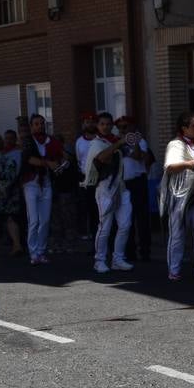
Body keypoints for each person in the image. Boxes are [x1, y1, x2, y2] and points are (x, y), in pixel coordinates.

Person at [160, 112, 194, 282]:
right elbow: (170, 167)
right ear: (184, 128)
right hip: (179, 196)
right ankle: (174, 270)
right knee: (178, 233)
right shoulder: (176, 144)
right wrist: (188, 164)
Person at [84, 111, 131, 274]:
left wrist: (130, 141)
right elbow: (102, 158)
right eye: (102, 124)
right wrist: (119, 144)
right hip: (104, 188)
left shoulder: (115, 141)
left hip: (121, 186)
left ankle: (118, 259)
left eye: (108, 124)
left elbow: (132, 154)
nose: (105, 127)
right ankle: (99, 260)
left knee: (125, 224)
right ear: (98, 126)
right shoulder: (96, 143)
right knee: (105, 226)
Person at [21, 113, 62, 265]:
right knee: (34, 220)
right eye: (36, 124)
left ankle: (41, 251)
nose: (40, 126)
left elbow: (57, 156)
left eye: (41, 123)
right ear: (31, 126)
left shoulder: (50, 141)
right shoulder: (28, 141)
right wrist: (48, 164)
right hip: (31, 183)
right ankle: (33, 253)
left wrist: (59, 162)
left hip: (46, 183)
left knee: (45, 220)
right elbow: (29, 159)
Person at [115, 115, 152, 262]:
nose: (123, 130)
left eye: (126, 127)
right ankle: (129, 252)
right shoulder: (117, 142)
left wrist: (133, 142)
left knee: (141, 217)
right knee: (126, 218)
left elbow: (139, 156)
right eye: (120, 127)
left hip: (138, 182)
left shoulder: (140, 141)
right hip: (123, 183)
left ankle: (145, 251)